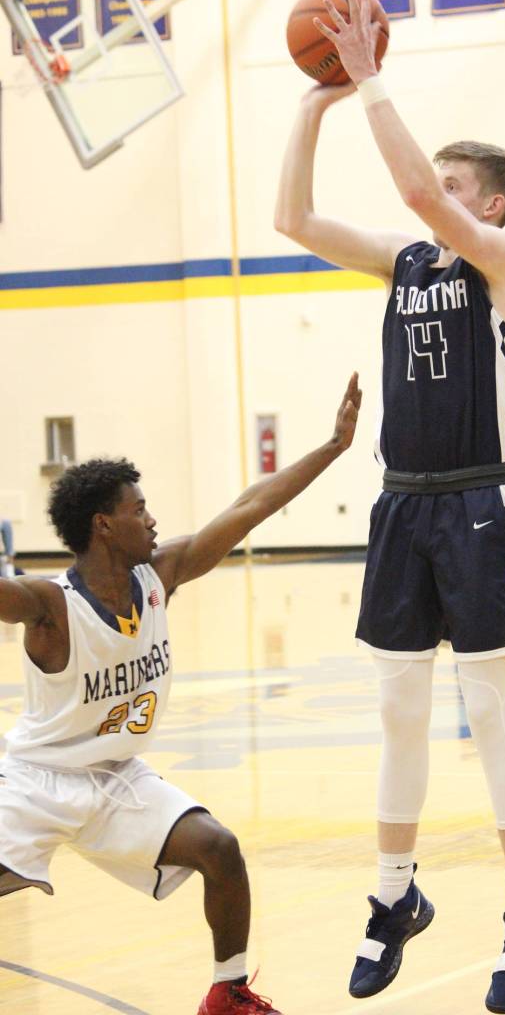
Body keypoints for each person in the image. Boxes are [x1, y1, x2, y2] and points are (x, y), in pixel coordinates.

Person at [274, 0, 505, 1012]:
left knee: (485, 710)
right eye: (434, 183)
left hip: (477, 504)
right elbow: (292, 220)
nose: (428, 196)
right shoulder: (400, 264)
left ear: (490, 206)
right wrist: (311, 105)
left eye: (451, 187)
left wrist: (366, 80)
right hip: (400, 505)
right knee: (399, 714)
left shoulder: (503, 267)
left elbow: (407, 186)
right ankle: (393, 895)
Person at [0, 374, 362, 1015]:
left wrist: (332, 447)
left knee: (218, 849)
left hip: (116, 777)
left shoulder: (159, 575)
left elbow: (250, 507)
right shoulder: (51, 604)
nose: (152, 519)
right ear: (104, 525)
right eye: (139, 509)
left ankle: (228, 994)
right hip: (35, 781)